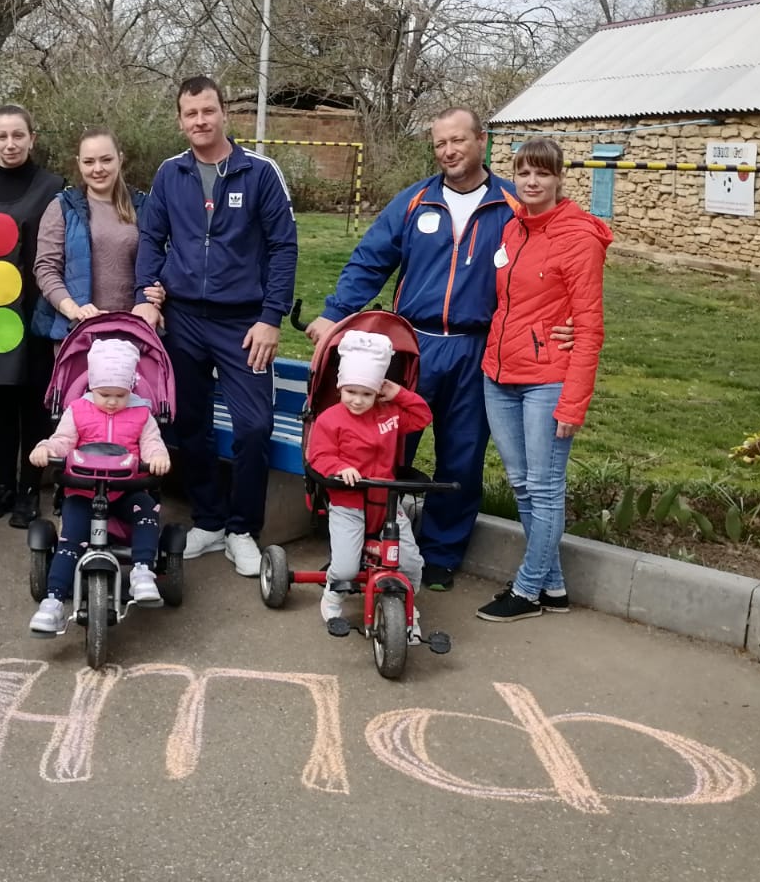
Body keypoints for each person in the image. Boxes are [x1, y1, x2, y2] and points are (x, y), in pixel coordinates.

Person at [306, 108, 529, 594]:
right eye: (439, 144)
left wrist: (559, 326)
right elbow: (370, 260)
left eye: (458, 141)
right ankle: (361, 545)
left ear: (481, 141)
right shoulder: (415, 202)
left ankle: (442, 553)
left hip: (478, 347)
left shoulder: (512, 204)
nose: (448, 151)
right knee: (381, 445)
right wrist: (335, 312)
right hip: (413, 347)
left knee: (462, 456)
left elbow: (546, 268)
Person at [133, 76, 298, 578]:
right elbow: (150, 238)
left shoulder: (260, 173)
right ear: (181, 120)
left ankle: (242, 529)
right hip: (182, 320)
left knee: (253, 427)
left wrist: (271, 318)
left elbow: (283, 249)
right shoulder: (170, 174)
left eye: (208, 110)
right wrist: (147, 296)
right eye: (191, 114)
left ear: (224, 112)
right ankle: (207, 518)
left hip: (243, 324)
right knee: (190, 425)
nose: (200, 121)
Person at [475, 138, 611, 623]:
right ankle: (553, 586)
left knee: (545, 485)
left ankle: (528, 589)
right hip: (500, 374)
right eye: (524, 173)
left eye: (543, 174)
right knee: (522, 485)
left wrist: (573, 404)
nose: (532, 182)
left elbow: (589, 327)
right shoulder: (514, 230)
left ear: (559, 179)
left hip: (547, 379)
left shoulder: (578, 237)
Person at [0, 104, 65, 527]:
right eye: (1, 136)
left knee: (32, 401)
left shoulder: (53, 187)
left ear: (32, 138)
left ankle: (28, 489)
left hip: (35, 311)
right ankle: (2, 484)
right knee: (0, 399)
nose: (9, 144)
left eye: (17, 135)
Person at [26, 338, 170, 634]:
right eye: (105, 394)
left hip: (126, 489)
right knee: (71, 540)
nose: (113, 401)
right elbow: (62, 441)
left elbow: (152, 444)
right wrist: (45, 448)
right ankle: (53, 601)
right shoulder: (78, 411)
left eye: (121, 394)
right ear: (92, 385)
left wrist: (157, 457)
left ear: (132, 387)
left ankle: (143, 569)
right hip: (82, 490)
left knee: (146, 509)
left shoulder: (141, 415)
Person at [304, 331, 432, 630]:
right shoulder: (331, 419)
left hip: (386, 502)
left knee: (411, 562)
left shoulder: (389, 415)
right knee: (346, 565)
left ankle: (406, 606)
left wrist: (398, 393)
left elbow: (423, 417)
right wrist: (339, 466)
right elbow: (318, 456)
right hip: (349, 502)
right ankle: (333, 597)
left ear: (379, 392)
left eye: (367, 393)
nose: (358, 400)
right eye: (351, 392)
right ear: (340, 388)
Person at [32, 127, 150, 340]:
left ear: (120, 159)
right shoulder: (62, 207)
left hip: (134, 332)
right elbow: (46, 269)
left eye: (106, 160)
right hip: (77, 333)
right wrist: (74, 311)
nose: (98, 169)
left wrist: (155, 294)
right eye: (89, 162)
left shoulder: (144, 206)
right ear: (79, 163)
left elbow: (159, 264)